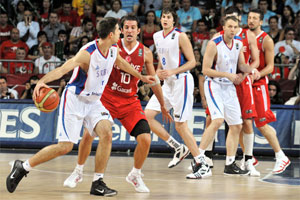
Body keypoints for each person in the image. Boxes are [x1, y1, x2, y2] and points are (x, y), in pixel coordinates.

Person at [6, 17, 155, 196]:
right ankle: (23, 166)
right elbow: (63, 69)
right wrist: (41, 82)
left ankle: (97, 182)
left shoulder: (114, 49)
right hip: (76, 99)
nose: (121, 33)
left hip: (94, 101)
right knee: (65, 146)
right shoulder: (88, 53)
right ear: (110, 34)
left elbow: (121, 63)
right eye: (118, 30)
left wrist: (142, 77)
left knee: (107, 133)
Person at [63, 15, 171, 193]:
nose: (129, 31)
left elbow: (153, 81)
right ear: (120, 31)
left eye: (132, 28)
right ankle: (78, 171)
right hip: (106, 99)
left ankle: (135, 174)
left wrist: (162, 105)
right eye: (126, 27)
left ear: (138, 31)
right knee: (89, 135)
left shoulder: (146, 53)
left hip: (130, 102)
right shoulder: (112, 45)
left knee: (145, 138)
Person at [144, 8, 206, 179]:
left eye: (168, 17)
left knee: (180, 125)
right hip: (167, 83)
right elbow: (161, 62)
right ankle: (178, 147)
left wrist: (172, 71)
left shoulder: (181, 36)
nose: (165, 19)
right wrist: (156, 76)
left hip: (182, 81)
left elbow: (193, 62)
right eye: (163, 16)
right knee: (147, 116)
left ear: (174, 20)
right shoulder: (157, 36)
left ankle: (202, 163)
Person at [194, 15, 260, 177]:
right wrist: (228, 75)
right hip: (214, 85)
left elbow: (242, 64)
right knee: (216, 120)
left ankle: (230, 164)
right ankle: (198, 159)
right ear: (223, 27)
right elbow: (205, 70)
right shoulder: (213, 44)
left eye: (235, 27)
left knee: (237, 125)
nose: (232, 30)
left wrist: (250, 70)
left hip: (229, 87)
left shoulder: (238, 43)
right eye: (229, 26)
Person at [248, 9, 291, 174]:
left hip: (258, 85)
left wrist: (258, 73)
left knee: (261, 123)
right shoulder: (244, 36)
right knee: (240, 122)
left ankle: (281, 156)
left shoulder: (266, 40)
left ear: (261, 21)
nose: (251, 20)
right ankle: (249, 158)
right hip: (245, 84)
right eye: (249, 17)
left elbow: (271, 67)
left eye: (255, 18)